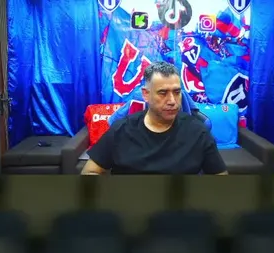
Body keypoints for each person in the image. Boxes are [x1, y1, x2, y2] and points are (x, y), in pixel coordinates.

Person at [82, 62, 229, 175]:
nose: (172, 101)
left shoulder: (198, 132)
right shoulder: (121, 129)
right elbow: (90, 171)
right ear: (146, 94)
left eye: (176, 92)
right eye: (163, 93)